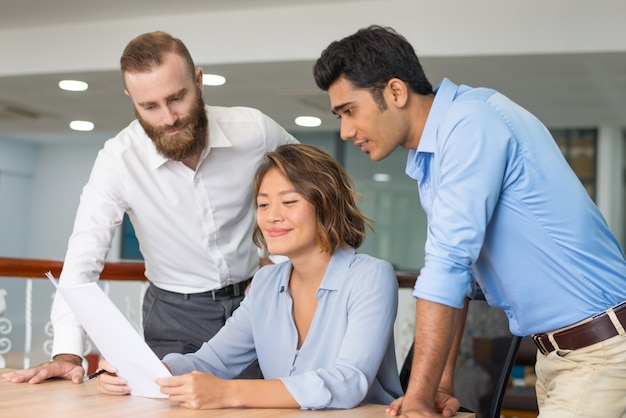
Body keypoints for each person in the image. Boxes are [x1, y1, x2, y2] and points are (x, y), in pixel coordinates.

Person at [313, 25, 626, 418]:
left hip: (600, 351)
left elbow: (446, 267)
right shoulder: (434, 154)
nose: (345, 130)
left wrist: (419, 398)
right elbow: (458, 279)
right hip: (565, 354)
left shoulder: (470, 123)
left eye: (349, 111)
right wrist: (441, 384)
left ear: (395, 92)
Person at [3, 31, 297, 385]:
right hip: (174, 315)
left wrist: (281, 266)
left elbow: (315, 194)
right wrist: (67, 353)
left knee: (262, 403)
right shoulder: (118, 161)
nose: (169, 118)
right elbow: (81, 262)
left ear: (198, 82)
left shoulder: (255, 131)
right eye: (150, 106)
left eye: (177, 98)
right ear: (131, 99)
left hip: (256, 302)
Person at [96, 143, 403, 409]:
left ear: (326, 205)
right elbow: (211, 362)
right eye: (263, 204)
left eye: (290, 201)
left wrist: (227, 393)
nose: (271, 216)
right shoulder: (267, 283)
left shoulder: (371, 276)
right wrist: (145, 371)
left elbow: (348, 382)